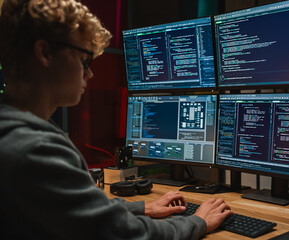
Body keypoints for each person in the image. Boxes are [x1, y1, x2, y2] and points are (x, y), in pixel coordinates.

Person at [0, 0, 233, 239]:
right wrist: (198, 222)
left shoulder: (13, 133)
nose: (90, 73)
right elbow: (125, 235)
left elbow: (77, 209)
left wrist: (143, 207)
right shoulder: (34, 151)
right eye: (85, 60)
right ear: (45, 53)